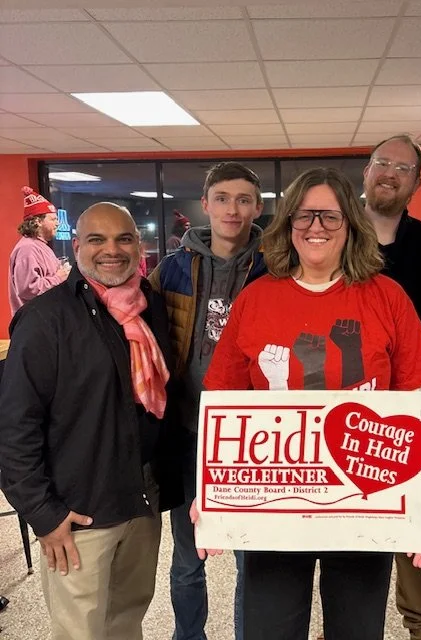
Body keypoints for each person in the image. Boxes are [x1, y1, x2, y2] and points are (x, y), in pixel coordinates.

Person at [201, 167, 421, 640]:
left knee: (356, 628)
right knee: (269, 629)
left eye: (330, 217)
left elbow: (420, 401)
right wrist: (211, 493)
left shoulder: (387, 296)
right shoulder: (256, 300)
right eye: (304, 215)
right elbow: (222, 402)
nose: (315, 227)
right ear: (288, 224)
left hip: (362, 495)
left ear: (352, 224)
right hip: (275, 502)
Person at [0, 202, 180, 640]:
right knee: (81, 631)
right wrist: (43, 514)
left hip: (141, 498)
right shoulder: (46, 319)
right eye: (97, 240)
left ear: (139, 246)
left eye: (123, 238)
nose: (111, 250)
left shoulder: (150, 307)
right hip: (77, 512)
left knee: (126, 619)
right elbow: (13, 427)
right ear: (77, 246)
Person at [149, 161, 266, 640]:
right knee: (187, 554)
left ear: (258, 207)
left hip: (250, 439)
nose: (232, 209)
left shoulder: (276, 268)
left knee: (250, 556)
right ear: (206, 204)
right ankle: (188, 635)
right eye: (222, 198)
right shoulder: (171, 270)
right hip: (186, 431)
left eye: (243, 199)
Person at [363, 135, 421, 640]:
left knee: (414, 524)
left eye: (403, 166)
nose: (390, 172)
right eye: (381, 163)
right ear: (366, 172)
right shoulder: (334, 241)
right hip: (347, 410)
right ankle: (352, 622)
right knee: (353, 527)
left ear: (417, 181)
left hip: (415, 411)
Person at [8, 186, 69, 315]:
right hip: (34, 324)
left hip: (46, 321)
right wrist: (59, 278)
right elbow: (28, 289)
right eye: (53, 219)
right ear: (37, 221)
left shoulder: (41, 246)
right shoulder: (27, 249)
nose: (58, 223)